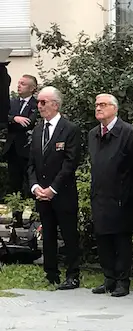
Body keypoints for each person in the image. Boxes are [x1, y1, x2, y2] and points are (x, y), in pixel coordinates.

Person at [27, 86, 81, 289]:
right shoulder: (38, 129)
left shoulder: (70, 129)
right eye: (38, 102)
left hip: (62, 192)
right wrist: (35, 187)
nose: (39, 106)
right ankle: (51, 273)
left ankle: (73, 274)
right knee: (47, 233)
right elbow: (31, 162)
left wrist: (53, 188)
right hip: (41, 193)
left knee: (69, 234)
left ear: (55, 105)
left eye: (43, 102)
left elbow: (70, 162)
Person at [88, 94, 133, 297]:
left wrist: (130, 194)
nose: (98, 108)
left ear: (115, 108)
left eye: (103, 105)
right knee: (103, 239)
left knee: (121, 240)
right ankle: (108, 278)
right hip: (99, 195)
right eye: (96, 105)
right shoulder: (93, 134)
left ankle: (122, 281)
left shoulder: (128, 133)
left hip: (121, 196)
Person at [4, 75, 38, 227]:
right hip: (12, 150)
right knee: (14, 184)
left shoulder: (36, 104)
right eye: (18, 83)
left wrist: (14, 122)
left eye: (23, 84)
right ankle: (15, 218)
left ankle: (32, 218)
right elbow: (4, 119)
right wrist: (14, 119)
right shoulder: (12, 103)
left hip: (28, 149)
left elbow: (30, 124)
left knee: (30, 184)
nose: (19, 86)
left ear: (32, 88)